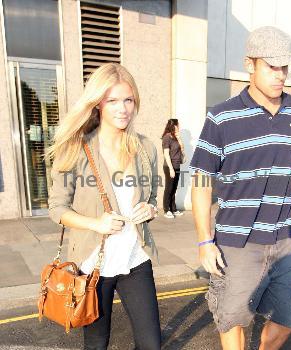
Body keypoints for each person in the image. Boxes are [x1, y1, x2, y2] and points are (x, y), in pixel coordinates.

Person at [190, 26, 291, 350]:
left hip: (286, 239)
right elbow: (201, 180)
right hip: (237, 242)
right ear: (250, 64)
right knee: (233, 318)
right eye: (271, 66)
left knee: (288, 318)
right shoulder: (222, 118)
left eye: (285, 67)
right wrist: (205, 240)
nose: (281, 75)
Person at [47, 63, 161, 350]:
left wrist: (150, 210)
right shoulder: (75, 149)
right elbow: (57, 209)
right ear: (98, 103)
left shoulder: (145, 148)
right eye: (112, 100)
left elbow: (153, 199)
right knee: (97, 344)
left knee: (151, 344)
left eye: (128, 99)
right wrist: (95, 224)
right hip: (92, 264)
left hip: (135, 259)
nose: (122, 108)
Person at [162, 118, 185, 218]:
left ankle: (173, 208)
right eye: (178, 125)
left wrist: (180, 140)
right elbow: (166, 154)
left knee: (174, 189)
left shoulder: (176, 137)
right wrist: (171, 169)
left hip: (177, 165)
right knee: (169, 188)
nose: (179, 126)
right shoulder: (167, 137)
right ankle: (166, 210)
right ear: (173, 125)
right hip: (169, 167)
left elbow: (182, 151)